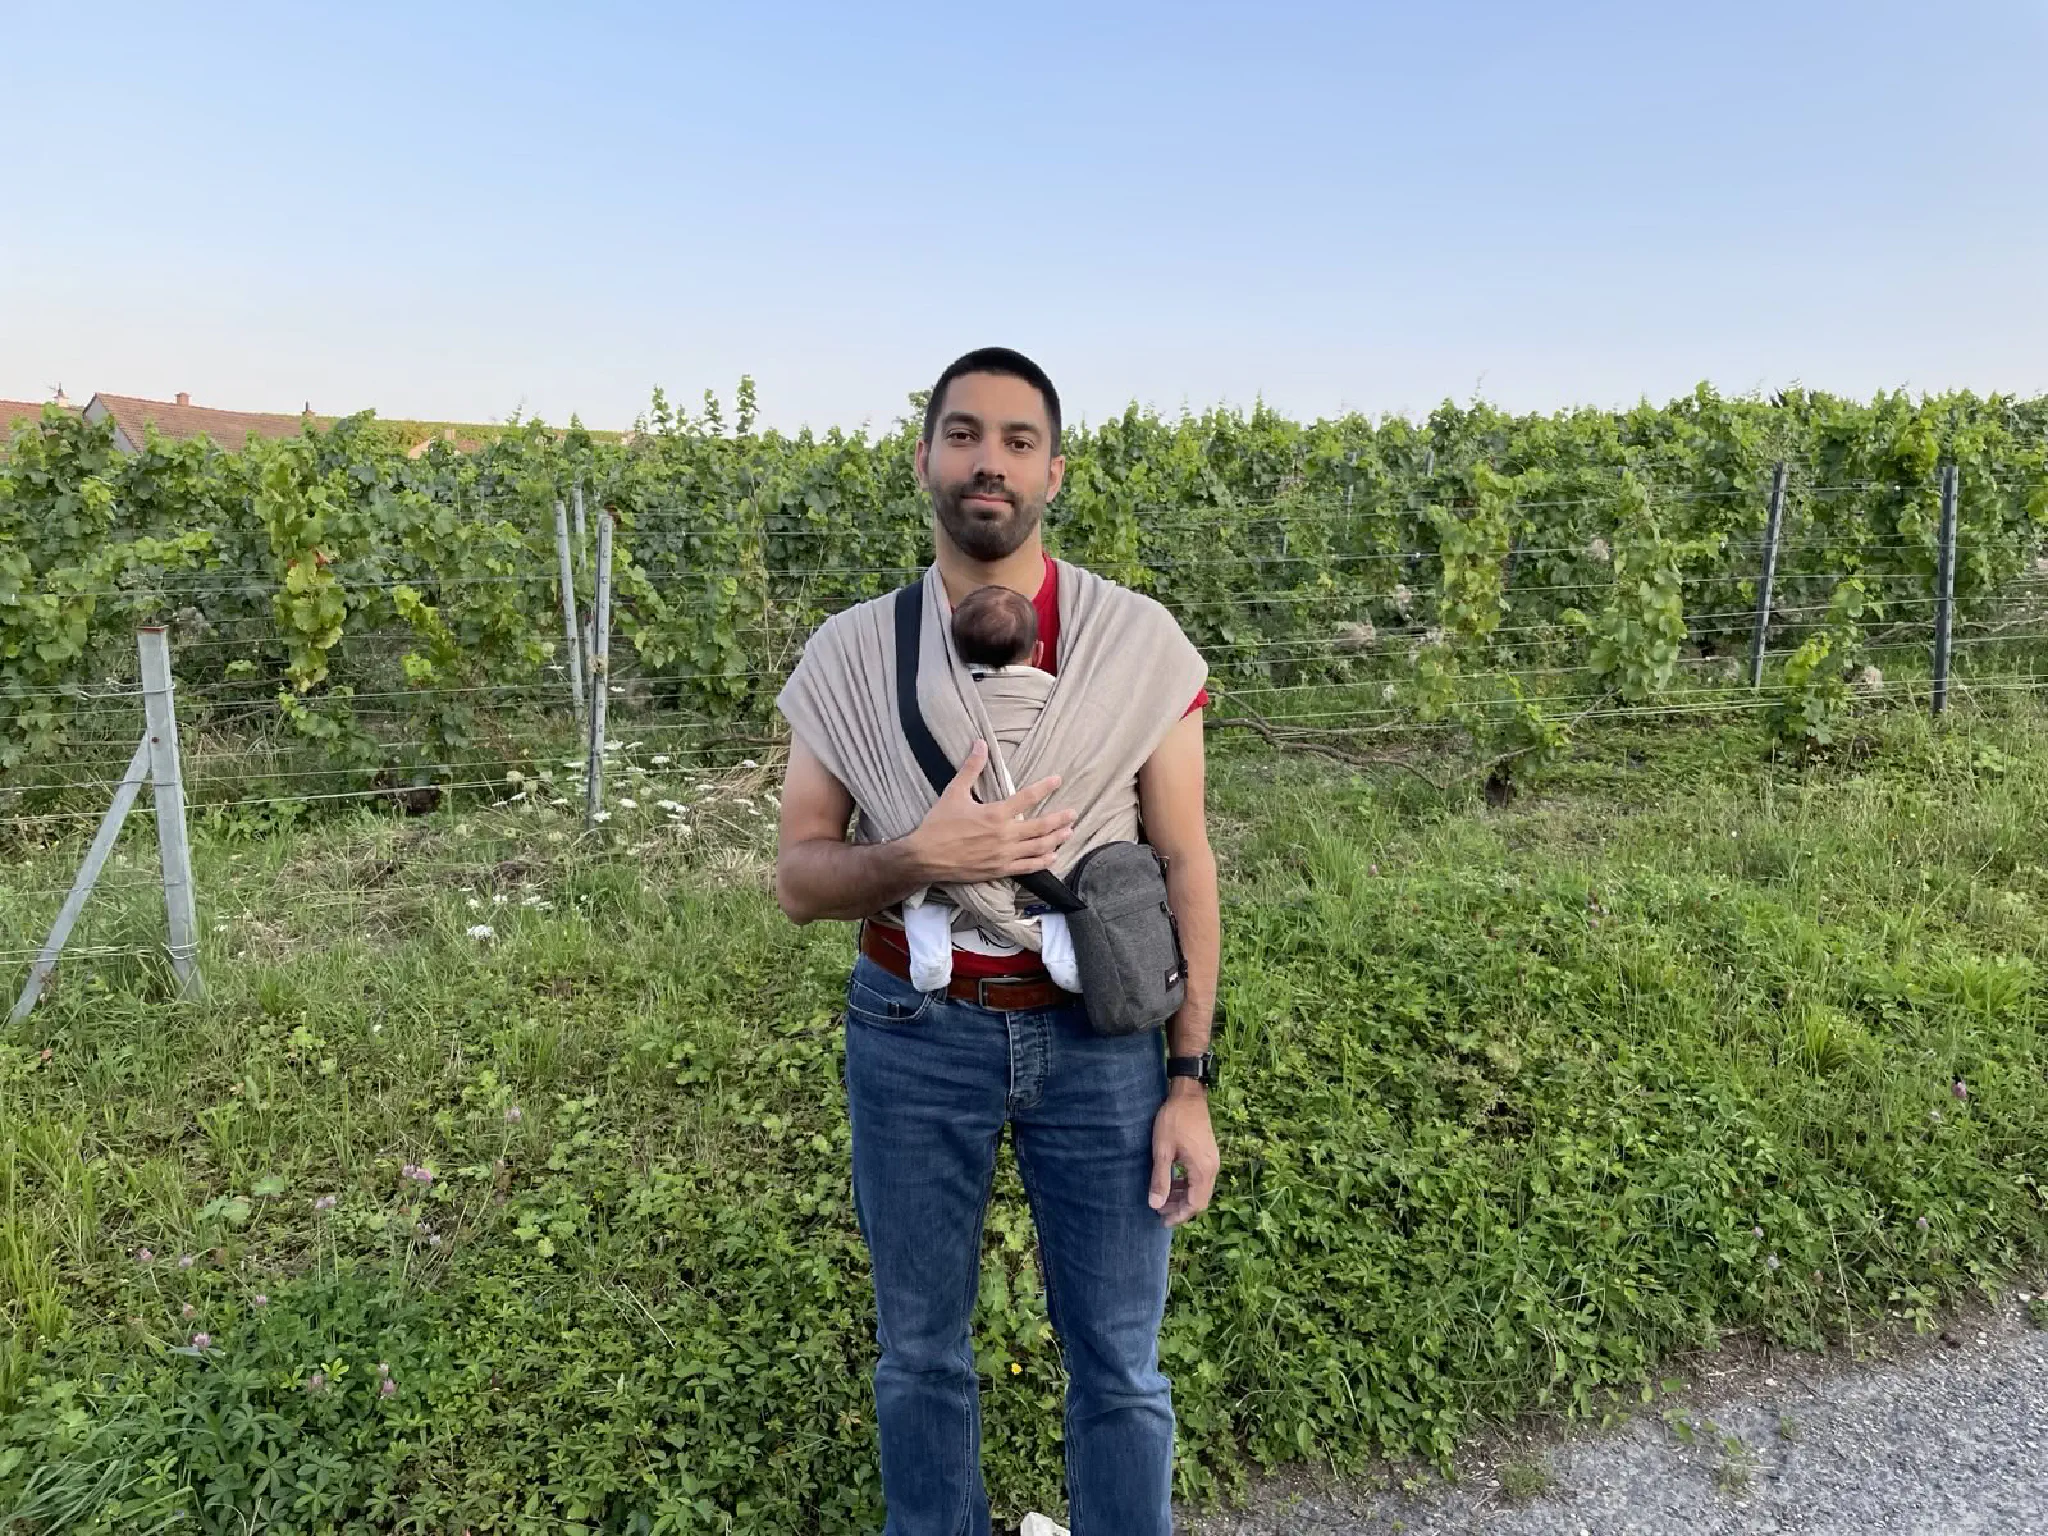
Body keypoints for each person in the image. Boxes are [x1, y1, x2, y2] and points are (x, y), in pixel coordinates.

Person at [774, 347, 1221, 1536]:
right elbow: (800, 879)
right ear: (925, 459)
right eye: (964, 434)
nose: (989, 462)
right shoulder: (851, 655)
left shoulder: (1136, 648)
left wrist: (1187, 1083)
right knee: (920, 1351)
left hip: (1100, 1044)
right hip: (914, 1031)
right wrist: (916, 856)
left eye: (1018, 441)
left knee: (1119, 1361)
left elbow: (1185, 864)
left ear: (1052, 473)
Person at [900, 584, 1079, 994]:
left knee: (924, 885)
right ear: (1037, 651)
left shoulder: (931, 701)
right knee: (1062, 874)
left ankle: (929, 956)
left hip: (949, 851)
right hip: (1040, 848)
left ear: (955, 652)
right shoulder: (1057, 702)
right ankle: (1064, 951)